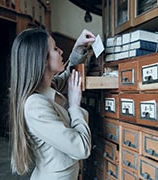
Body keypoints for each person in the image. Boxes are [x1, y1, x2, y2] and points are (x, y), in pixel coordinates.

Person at [9, 28, 96, 179]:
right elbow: (81, 149)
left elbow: (67, 77)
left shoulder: (46, 88)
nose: (61, 51)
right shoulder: (35, 105)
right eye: (55, 48)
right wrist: (75, 106)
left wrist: (78, 48)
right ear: (42, 60)